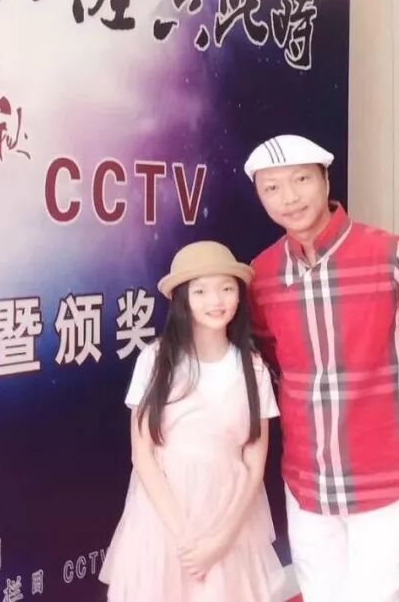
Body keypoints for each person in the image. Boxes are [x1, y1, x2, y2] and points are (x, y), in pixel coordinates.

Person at [245, 133, 399, 602]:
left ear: (326, 180)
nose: (289, 198)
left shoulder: (391, 255)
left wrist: (398, 399)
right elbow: (269, 359)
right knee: (321, 593)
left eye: (301, 180)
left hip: (383, 469)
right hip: (307, 475)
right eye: (272, 188)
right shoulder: (263, 274)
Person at [101, 241, 285, 602]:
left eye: (226, 288)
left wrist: (220, 540)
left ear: (239, 296)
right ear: (182, 299)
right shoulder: (155, 360)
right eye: (200, 291)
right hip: (164, 520)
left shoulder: (253, 368)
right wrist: (185, 538)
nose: (215, 300)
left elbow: (254, 461)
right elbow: (142, 454)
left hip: (230, 520)